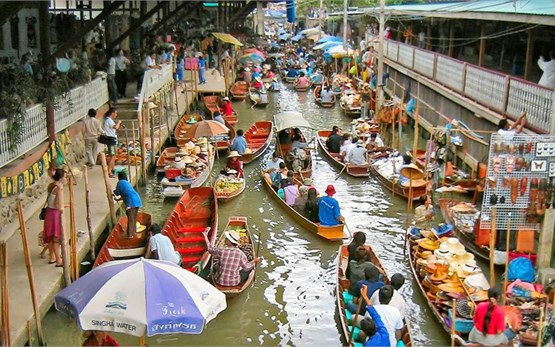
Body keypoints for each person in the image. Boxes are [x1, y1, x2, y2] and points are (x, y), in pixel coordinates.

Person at [43, 169, 66, 267]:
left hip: (49, 212)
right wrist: (63, 207)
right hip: (55, 214)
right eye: (65, 177)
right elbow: (58, 204)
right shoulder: (59, 189)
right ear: (61, 178)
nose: (66, 179)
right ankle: (58, 260)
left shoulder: (51, 186)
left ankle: (52, 257)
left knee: (51, 237)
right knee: (56, 238)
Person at [113, 171, 142, 238]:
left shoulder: (120, 183)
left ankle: (129, 235)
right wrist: (117, 200)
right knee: (133, 218)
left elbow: (117, 193)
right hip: (137, 200)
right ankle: (133, 232)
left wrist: (114, 191)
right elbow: (125, 195)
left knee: (131, 219)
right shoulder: (127, 183)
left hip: (131, 202)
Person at [103, 107, 122, 177]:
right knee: (112, 156)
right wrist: (119, 123)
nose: (116, 115)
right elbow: (115, 127)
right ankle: (109, 171)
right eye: (116, 113)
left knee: (114, 155)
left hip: (113, 139)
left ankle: (112, 169)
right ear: (112, 113)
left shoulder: (109, 120)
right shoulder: (109, 120)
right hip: (111, 140)